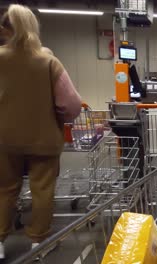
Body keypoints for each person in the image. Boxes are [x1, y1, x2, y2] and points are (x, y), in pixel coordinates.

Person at [0, 4, 82, 260]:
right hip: (44, 140)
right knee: (42, 190)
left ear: (6, 29)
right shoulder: (48, 61)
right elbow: (71, 105)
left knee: (4, 189)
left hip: (4, 140)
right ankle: (38, 242)